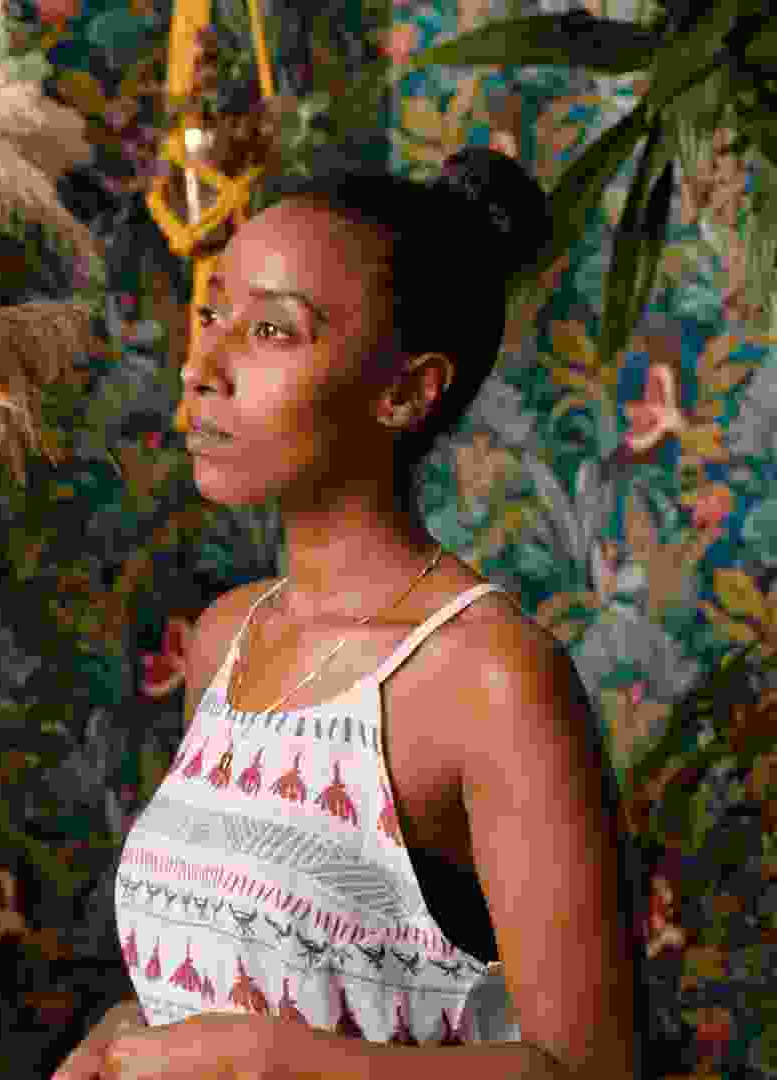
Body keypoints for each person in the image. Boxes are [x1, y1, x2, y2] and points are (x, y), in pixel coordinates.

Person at [52, 147, 642, 1079]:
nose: (202, 366)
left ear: (406, 391)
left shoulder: (488, 678)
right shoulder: (226, 640)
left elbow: (590, 1072)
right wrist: (126, 1032)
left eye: (271, 330)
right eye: (211, 315)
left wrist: (275, 1063)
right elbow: (253, 965)